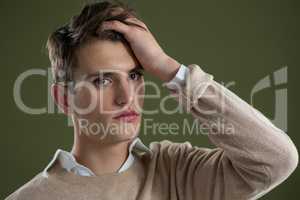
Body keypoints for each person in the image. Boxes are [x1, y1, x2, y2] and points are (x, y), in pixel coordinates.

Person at [6, 1, 298, 199]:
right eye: (103, 80)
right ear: (64, 99)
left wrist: (168, 67)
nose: (126, 96)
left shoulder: (178, 172)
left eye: (134, 76)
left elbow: (277, 160)